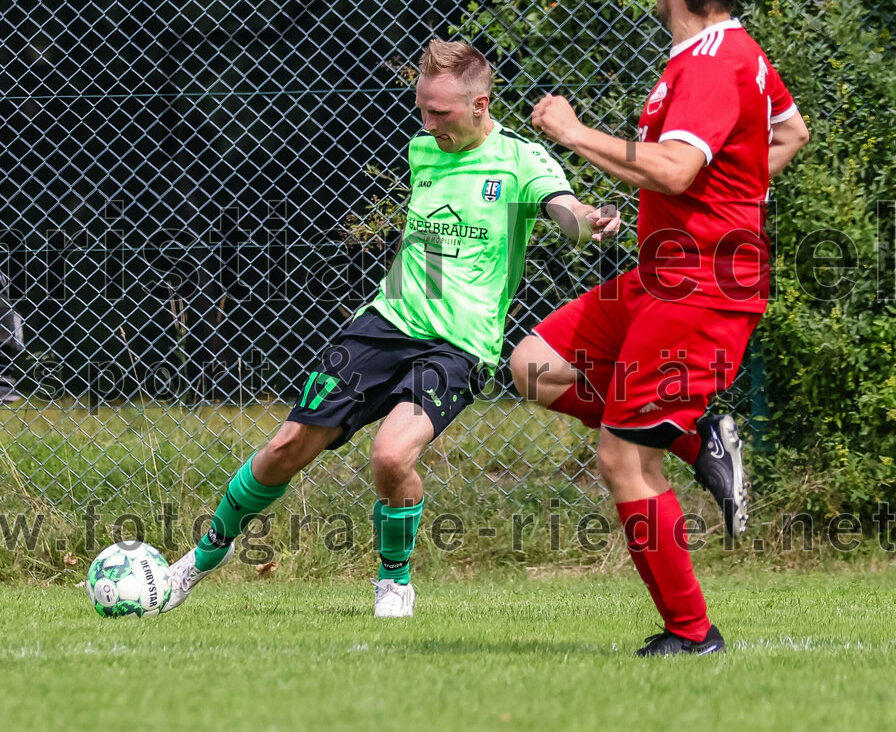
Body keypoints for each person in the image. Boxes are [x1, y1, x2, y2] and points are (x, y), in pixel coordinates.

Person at [163, 38, 621, 617]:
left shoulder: (521, 162)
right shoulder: (423, 151)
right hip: (386, 322)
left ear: (481, 105)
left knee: (389, 455)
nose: (428, 124)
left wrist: (589, 220)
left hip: (458, 346)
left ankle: (394, 582)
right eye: (422, 110)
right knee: (286, 447)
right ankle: (196, 563)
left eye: (441, 113)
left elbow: (566, 213)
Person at [511, 0, 809, 655]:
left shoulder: (711, 60)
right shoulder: (730, 51)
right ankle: (694, 433)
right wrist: (732, 199)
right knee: (533, 365)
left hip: (702, 286)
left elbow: (676, 169)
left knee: (621, 456)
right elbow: (791, 131)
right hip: (661, 277)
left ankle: (692, 632)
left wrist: (572, 132)